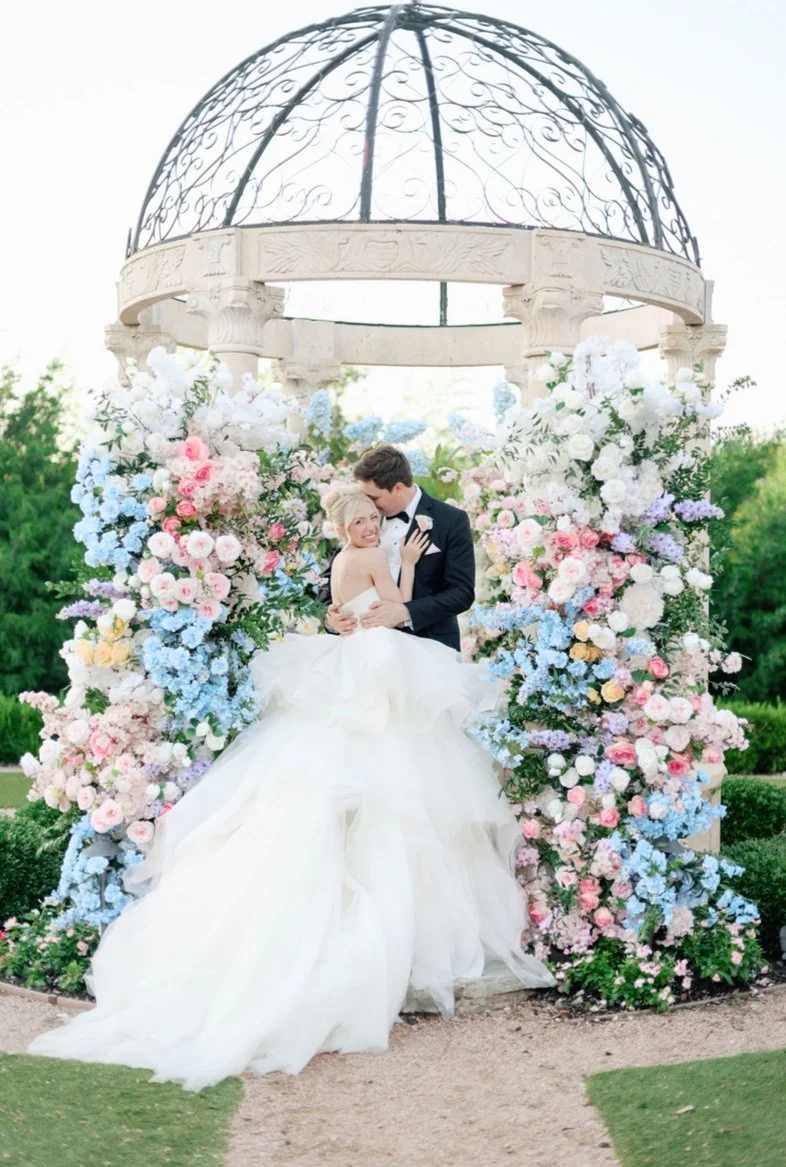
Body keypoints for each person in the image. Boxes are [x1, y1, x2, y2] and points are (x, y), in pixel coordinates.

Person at [28, 487, 553, 1091]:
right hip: (379, 665)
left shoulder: (336, 560)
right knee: (401, 787)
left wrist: (357, 602)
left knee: (357, 785)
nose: (365, 527)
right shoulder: (374, 556)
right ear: (346, 525)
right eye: (358, 521)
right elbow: (397, 606)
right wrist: (406, 564)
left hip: (349, 662)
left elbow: (342, 610)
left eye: (369, 520)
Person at [323, 445, 475, 651]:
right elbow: (331, 581)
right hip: (366, 648)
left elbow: (462, 593)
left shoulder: (451, 520)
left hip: (430, 647)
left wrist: (405, 612)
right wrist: (331, 619)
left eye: (374, 497)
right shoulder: (364, 520)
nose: (369, 504)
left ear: (398, 488)